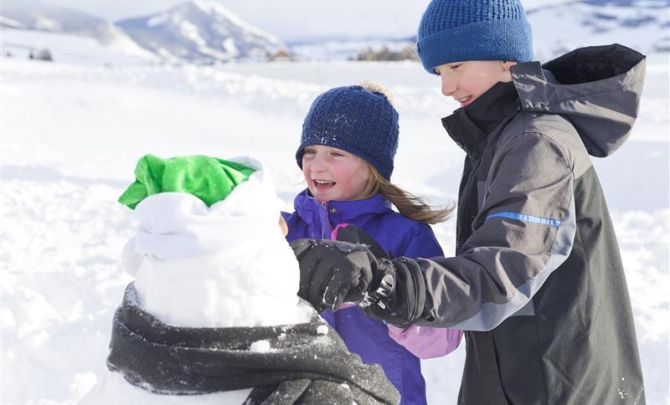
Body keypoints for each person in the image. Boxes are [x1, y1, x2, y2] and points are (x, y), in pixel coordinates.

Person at [289, 1, 647, 404]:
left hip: (558, 383)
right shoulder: (500, 138)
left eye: (456, 66)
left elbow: (501, 269)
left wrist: (383, 281)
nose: (446, 87)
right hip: (517, 377)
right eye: (440, 72)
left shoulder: (537, 142)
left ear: (506, 58)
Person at [79, 154, 400, 405]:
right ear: (244, 256)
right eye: (272, 224)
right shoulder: (312, 390)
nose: (285, 231)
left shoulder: (127, 371)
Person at [282, 82, 462, 405]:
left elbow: (444, 338)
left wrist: (385, 294)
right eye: (309, 153)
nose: (316, 166)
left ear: (372, 167)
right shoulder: (285, 231)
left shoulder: (406, 236)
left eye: (335, 154)